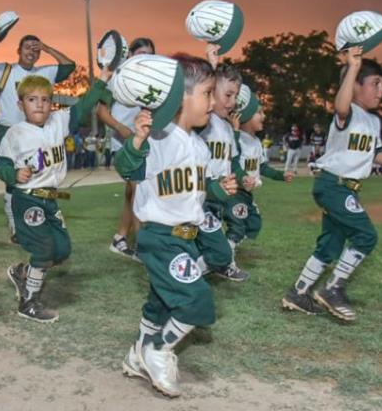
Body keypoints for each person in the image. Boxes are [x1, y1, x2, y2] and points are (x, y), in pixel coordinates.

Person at [114, 54, 237, 398]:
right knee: (197, 303)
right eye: (208, 93)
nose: (213, 103)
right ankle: (157, 349)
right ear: (180, 97)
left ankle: (137, 354)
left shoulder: (197, 145)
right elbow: (127, 169)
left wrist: (217, 189)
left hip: (186, 237)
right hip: (160, 237)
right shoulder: (158, 137)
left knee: (161, 302)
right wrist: (136, 141)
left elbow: (193, 193)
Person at [281, 51, 382, 322]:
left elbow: (375, 153)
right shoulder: (349, 112)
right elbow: (341, 106)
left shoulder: (373, 121)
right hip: (335, 185)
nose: (381, 90)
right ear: (356, 84)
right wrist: (353, 67)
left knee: (330, 245)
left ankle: (298, 293)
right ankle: (333, 289)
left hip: (345, 188)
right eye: (375, 83)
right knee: (366, 236)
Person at [0, 69, 109, 323]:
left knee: (62, 249)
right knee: (44, 249)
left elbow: (85, 105)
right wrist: (13, 174)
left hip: (50, 198)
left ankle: (23, 272)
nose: (40, 105)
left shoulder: (58, 121)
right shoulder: (15, 133)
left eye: (45, 99)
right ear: (20, 104)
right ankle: (29, 302)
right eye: (32, 99)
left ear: (51, 103)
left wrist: (103, 79)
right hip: (27, 198)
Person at [0, 34, 76, 241]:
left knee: (35, 178)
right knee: (13, 178)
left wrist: (47, 46)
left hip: (37, 132)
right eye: (27, 47)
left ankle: (33, 218)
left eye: (35, 49)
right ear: (18, 50)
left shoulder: (45, 72)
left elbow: (69, 66)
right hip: (9, 130)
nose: (32, 52)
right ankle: (15, 225)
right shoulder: (6, 70)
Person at [96, 37, 156, 260]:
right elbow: (101, 112)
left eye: (149, 54)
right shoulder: (117, 78)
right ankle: (143, 247)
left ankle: (120, 238)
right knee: (139, 190)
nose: (144, 58)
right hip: (123, 143)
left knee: (133, 192)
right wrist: (121, 129)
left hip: (142, 142)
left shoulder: (153, 81)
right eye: (140, 53)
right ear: (130, 55)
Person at [230, 84, 294, 269]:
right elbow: (232, 161)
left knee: (253, 223)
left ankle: (226, 247)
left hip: (247, 192)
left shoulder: (256, 141)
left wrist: (281, 176)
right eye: (259, 112)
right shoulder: (237, 138)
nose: (263, 117)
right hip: (235, 192)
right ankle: (225, 258)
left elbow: (262, 167)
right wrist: (234, 132)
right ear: (245, 115)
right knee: (237, 227)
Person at [197, 59, 249, 281]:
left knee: (220, 241)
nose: (232, 102)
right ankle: (183, 275)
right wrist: (211, 62)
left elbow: (231, 162)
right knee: (218, 251)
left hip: (219, 197)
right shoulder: (203, 121)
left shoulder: (227, 128)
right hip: (201, 197)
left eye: (235, 96)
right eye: (228, 95)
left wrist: (243, 177)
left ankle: (216, 264)